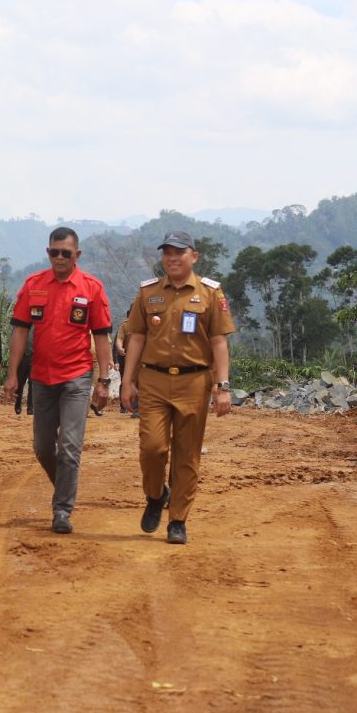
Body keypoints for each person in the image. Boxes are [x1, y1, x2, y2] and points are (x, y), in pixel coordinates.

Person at [119, 231, 236, 545]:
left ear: (193, 257)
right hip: (153, 380)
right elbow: (137, 339)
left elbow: (219, 342)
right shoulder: (148, 292)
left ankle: (178, 520)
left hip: (195, 382)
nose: (172, 258)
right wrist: (127, 381)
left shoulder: (210, 293)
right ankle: (156, 495)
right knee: (152, 448)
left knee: (187, 455)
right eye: (167, 253)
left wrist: (222, 387)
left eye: (179, 253)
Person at [4, 227, 112, 534]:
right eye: (54, 252)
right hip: (41, 378)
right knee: (42, 448)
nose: (60, 258)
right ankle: (64, 486)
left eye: (66, 253)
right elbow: (20, 331)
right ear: (48, 252)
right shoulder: (33, 285)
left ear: (77, 255)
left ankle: (62, 510)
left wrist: (103, 380)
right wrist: (12, 375)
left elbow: (102, 336)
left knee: (69, 446)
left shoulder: (91, 288)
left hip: (76, 378)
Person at [114, 306, 139, 417]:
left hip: (146, 359)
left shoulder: (150, 322)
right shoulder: (125, 325)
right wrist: (119, 348)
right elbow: (119, 339)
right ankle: (135, 408)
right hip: (130, 359)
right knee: (130, 381)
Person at [13, 328, 33, 416]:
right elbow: (14, 340)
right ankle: (17, 405)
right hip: (21, 357)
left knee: (32, 384)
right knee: (20, 383)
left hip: (34, 357)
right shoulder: (19, 326)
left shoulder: (38, 325)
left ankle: (31, 408)